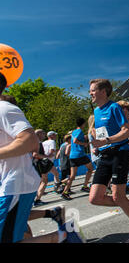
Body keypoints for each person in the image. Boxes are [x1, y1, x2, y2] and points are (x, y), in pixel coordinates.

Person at [0, 72, 83, 243]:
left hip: (14, 186)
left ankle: (63, 237)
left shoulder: (4, 109)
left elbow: (29, 140)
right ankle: (63, 235)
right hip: (10, 185)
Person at [88, 78, 129, 243]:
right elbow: (103, 134)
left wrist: (107, 140)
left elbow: (126, 130)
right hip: (105, 156)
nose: (90, 93)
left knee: (117, 196)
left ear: (103, 91)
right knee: (94, 198)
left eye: (93, 90)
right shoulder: (96, 111)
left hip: (120, 154)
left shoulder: (114, 107)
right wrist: (98, 143)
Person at [61, 118, 94, 200]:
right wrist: (84, 144)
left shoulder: (74, 131)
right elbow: (75, 141)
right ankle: (85, 186)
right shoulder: (79, 131)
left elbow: (75, 139)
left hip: (72, 156)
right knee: (90, 169)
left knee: (72, 176)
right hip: (80, 155)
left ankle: (64, 192)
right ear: (83, 124)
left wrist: (84, 138)